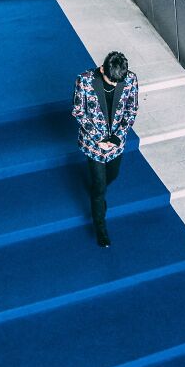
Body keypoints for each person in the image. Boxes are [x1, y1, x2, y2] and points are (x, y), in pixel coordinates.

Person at [71, 51, 139, 247]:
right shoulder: (84, 81)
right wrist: (99, 139)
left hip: (116, 143)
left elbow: (131, 109)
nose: (116, 85)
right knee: (100, 188)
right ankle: (101, 228)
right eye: (112, 81)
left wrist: (118, 136)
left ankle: (96, 193)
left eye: (119, 82)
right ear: (102, 70)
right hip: (94, 143)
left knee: (113, 175)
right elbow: (78, 111)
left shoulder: (130, 79)